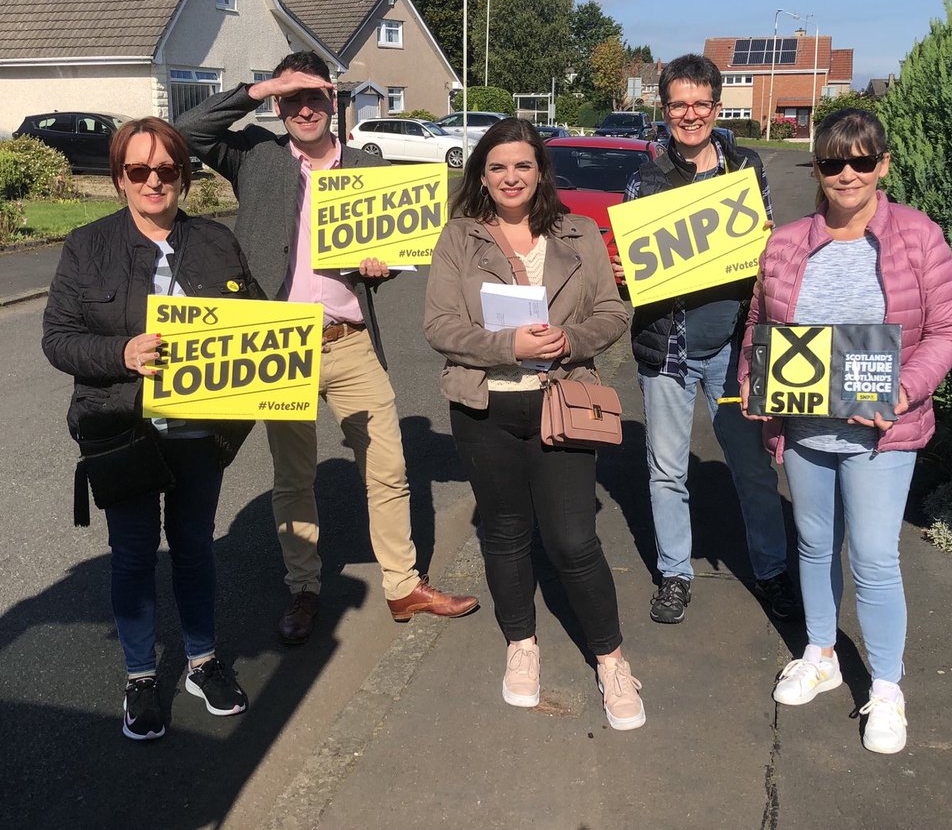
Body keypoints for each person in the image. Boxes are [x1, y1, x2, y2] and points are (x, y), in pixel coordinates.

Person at [176, 51, 477, 645]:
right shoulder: (255, 158)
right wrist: (260, 87)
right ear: (282, 104)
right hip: (278, 345)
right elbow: (187, 132)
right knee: (294, 476)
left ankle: (403, 586)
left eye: (315, 97)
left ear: (333, 103)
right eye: (293, 99)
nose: (305, 108)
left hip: (350, 343)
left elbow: (399, 245)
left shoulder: (369, 165)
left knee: (389, 469)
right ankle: (305, 589)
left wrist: (383, 267)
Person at [737, 108, 952, 754]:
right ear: (817, 167)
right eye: (833, 161)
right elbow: (761, 326)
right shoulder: (785, 244)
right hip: (806, 427)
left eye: (861, 160)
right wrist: (756, 385)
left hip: (881, 434)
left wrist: (903, 387)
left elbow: (950, 329)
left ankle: (887, 687)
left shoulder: (918, 238)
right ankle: (821, 651)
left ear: (882, 165)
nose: (847, 173)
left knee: (871, 556)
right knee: (813, 544)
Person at [424, 118, 645, 730]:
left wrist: (569, 339)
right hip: (484, 406)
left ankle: (612, 660)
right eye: (497, 167)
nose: (510, 177)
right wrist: (508, 343)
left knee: (574, 540)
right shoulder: (460, 238)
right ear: (482, 175)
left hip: (564, 399)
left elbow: (613, 309)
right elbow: (439, 325)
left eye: (522, 165)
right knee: (504, 532)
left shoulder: (578, 231)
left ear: (541, 171)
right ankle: (522, 644)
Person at [43, 118, 257, 739]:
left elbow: (258, 320)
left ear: (184, 176)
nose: (154, 181)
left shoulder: (218, 241)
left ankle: (202, 661)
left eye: (167, 169)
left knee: (195, 548)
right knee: (133, 554)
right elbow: (58, 339)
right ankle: (140, 674)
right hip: (122, 429)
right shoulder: (88, 246)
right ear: (119, 179)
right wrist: (123, 355)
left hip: (200, 432)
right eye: (139, 170)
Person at [612, 54, 797, 625]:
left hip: (734, 348)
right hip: (666, 349)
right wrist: (626, 278)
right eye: (677, 104)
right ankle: (675, 573)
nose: (689, 115)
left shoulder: (747, 166)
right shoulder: (643, 180)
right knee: (666, 469)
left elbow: (766, 251)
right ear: (662, 109)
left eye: (700, 104)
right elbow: (633, 272)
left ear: (716, 107)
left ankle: (770, 571)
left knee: (753, 467)